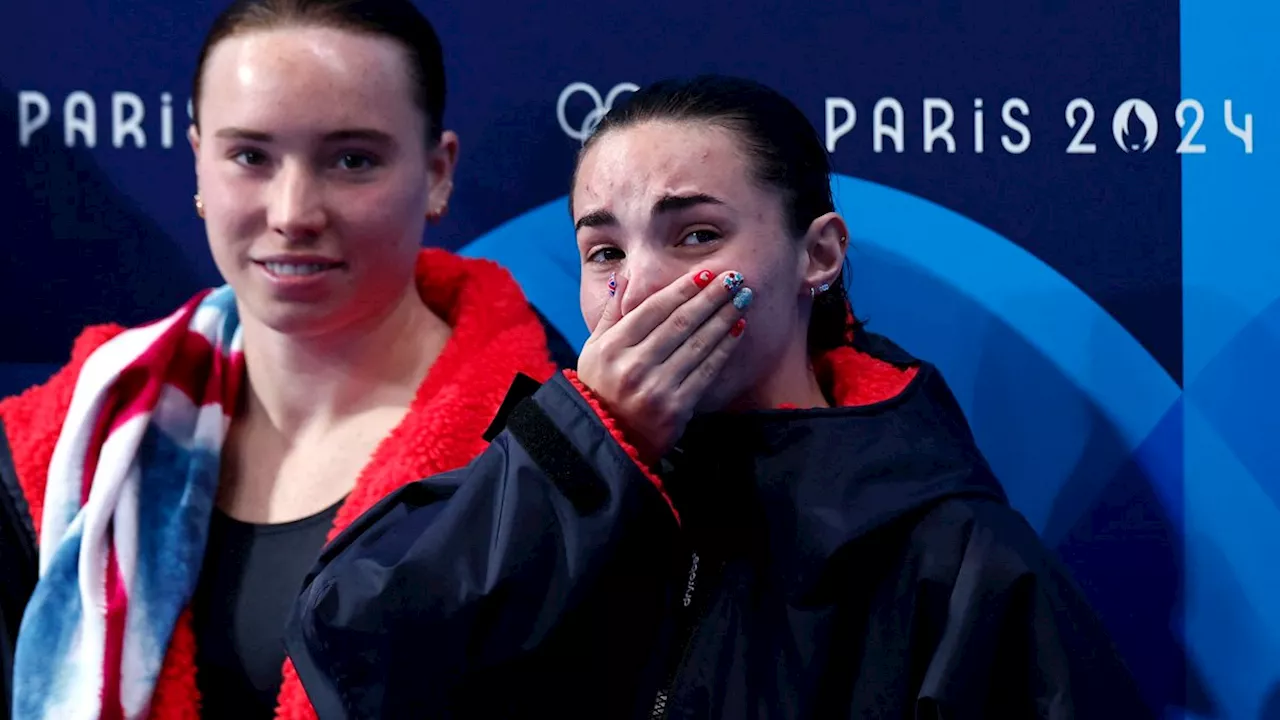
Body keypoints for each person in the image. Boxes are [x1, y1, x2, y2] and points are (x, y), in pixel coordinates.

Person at [284, 75, 1154, 719]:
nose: (641, 288)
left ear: (818, 257)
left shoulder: (955, 554)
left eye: (695, 235)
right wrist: (592, 442)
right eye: (605, 253)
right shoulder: (531, 482)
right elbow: (349, 659)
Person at [0, 1, 574, 718]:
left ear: (437, 174)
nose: (294, 212)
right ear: (199, 165)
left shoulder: (543, 454)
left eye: (352, 160)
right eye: (250, 157)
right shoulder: (72, 442)